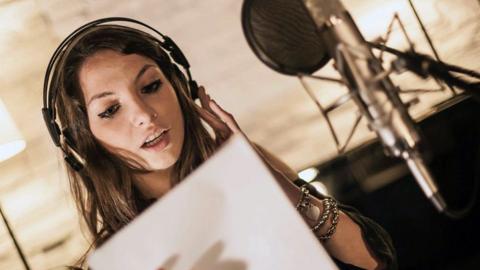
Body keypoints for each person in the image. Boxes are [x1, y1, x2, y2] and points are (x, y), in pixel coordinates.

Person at [47, 21, 397, 270]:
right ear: (82, 143)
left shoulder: (252, 179)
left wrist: (263, 175)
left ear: (181, 86)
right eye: (110, 110)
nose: (143, 114)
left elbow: (374, 262)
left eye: (151, 86)